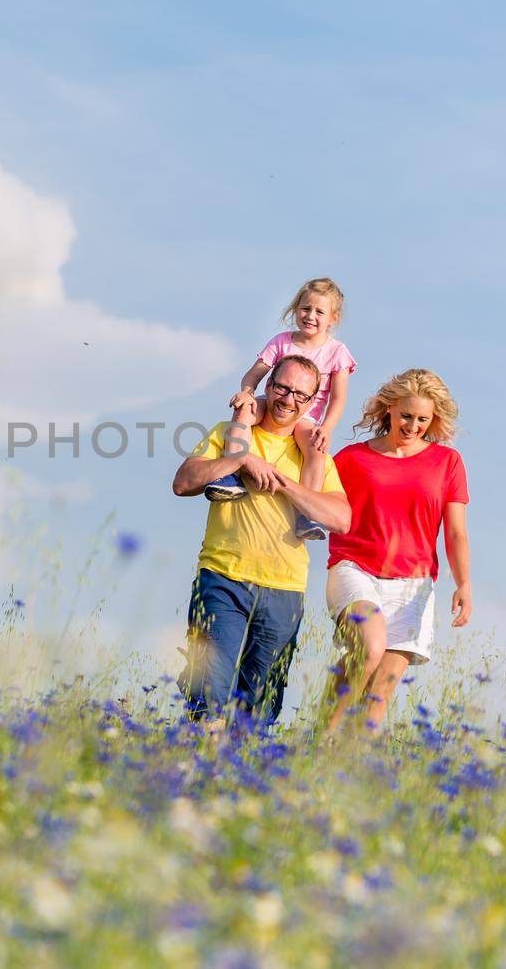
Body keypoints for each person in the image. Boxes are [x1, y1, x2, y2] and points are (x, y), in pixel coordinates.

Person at [172, 355, 351, 724]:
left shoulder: (312, 453)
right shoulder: (230, 432)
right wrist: (239, 461)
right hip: (222, 579)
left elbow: (341, 519)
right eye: (282, 388)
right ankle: (198, 769)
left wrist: (283, 481)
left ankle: (241, 775)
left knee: (258, 704)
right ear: (268, 386)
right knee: (208, 694)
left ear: (312, 402)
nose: (288, 400)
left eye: (300, 395)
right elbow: (183, 482)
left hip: (284, 590)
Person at [321, 368, 471, 736]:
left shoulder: (447, 463)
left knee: (380, 691)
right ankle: (322, 740)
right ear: (388, 409)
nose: (413, 425)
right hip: (354, 568)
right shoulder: (352, 458)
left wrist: (464, 584)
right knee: (369, 648)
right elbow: (319, 502)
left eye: (423, 419)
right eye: (406, 415)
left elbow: (454, 531)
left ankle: (351, 760)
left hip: (414, 582)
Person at [205, 278, 356, 544]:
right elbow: (252, 375)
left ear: (333, 318)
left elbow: (338, 399)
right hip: (272, 401)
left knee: (315, 448)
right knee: (244, 412)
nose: (310, 316)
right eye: (305, 308)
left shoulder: (337, 352)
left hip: (306, 415)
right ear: (296, 309)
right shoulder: (282, 341)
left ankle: (306, 514)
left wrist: (326, 428)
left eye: (319, 312)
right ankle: (229, 475)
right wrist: (248, 394)